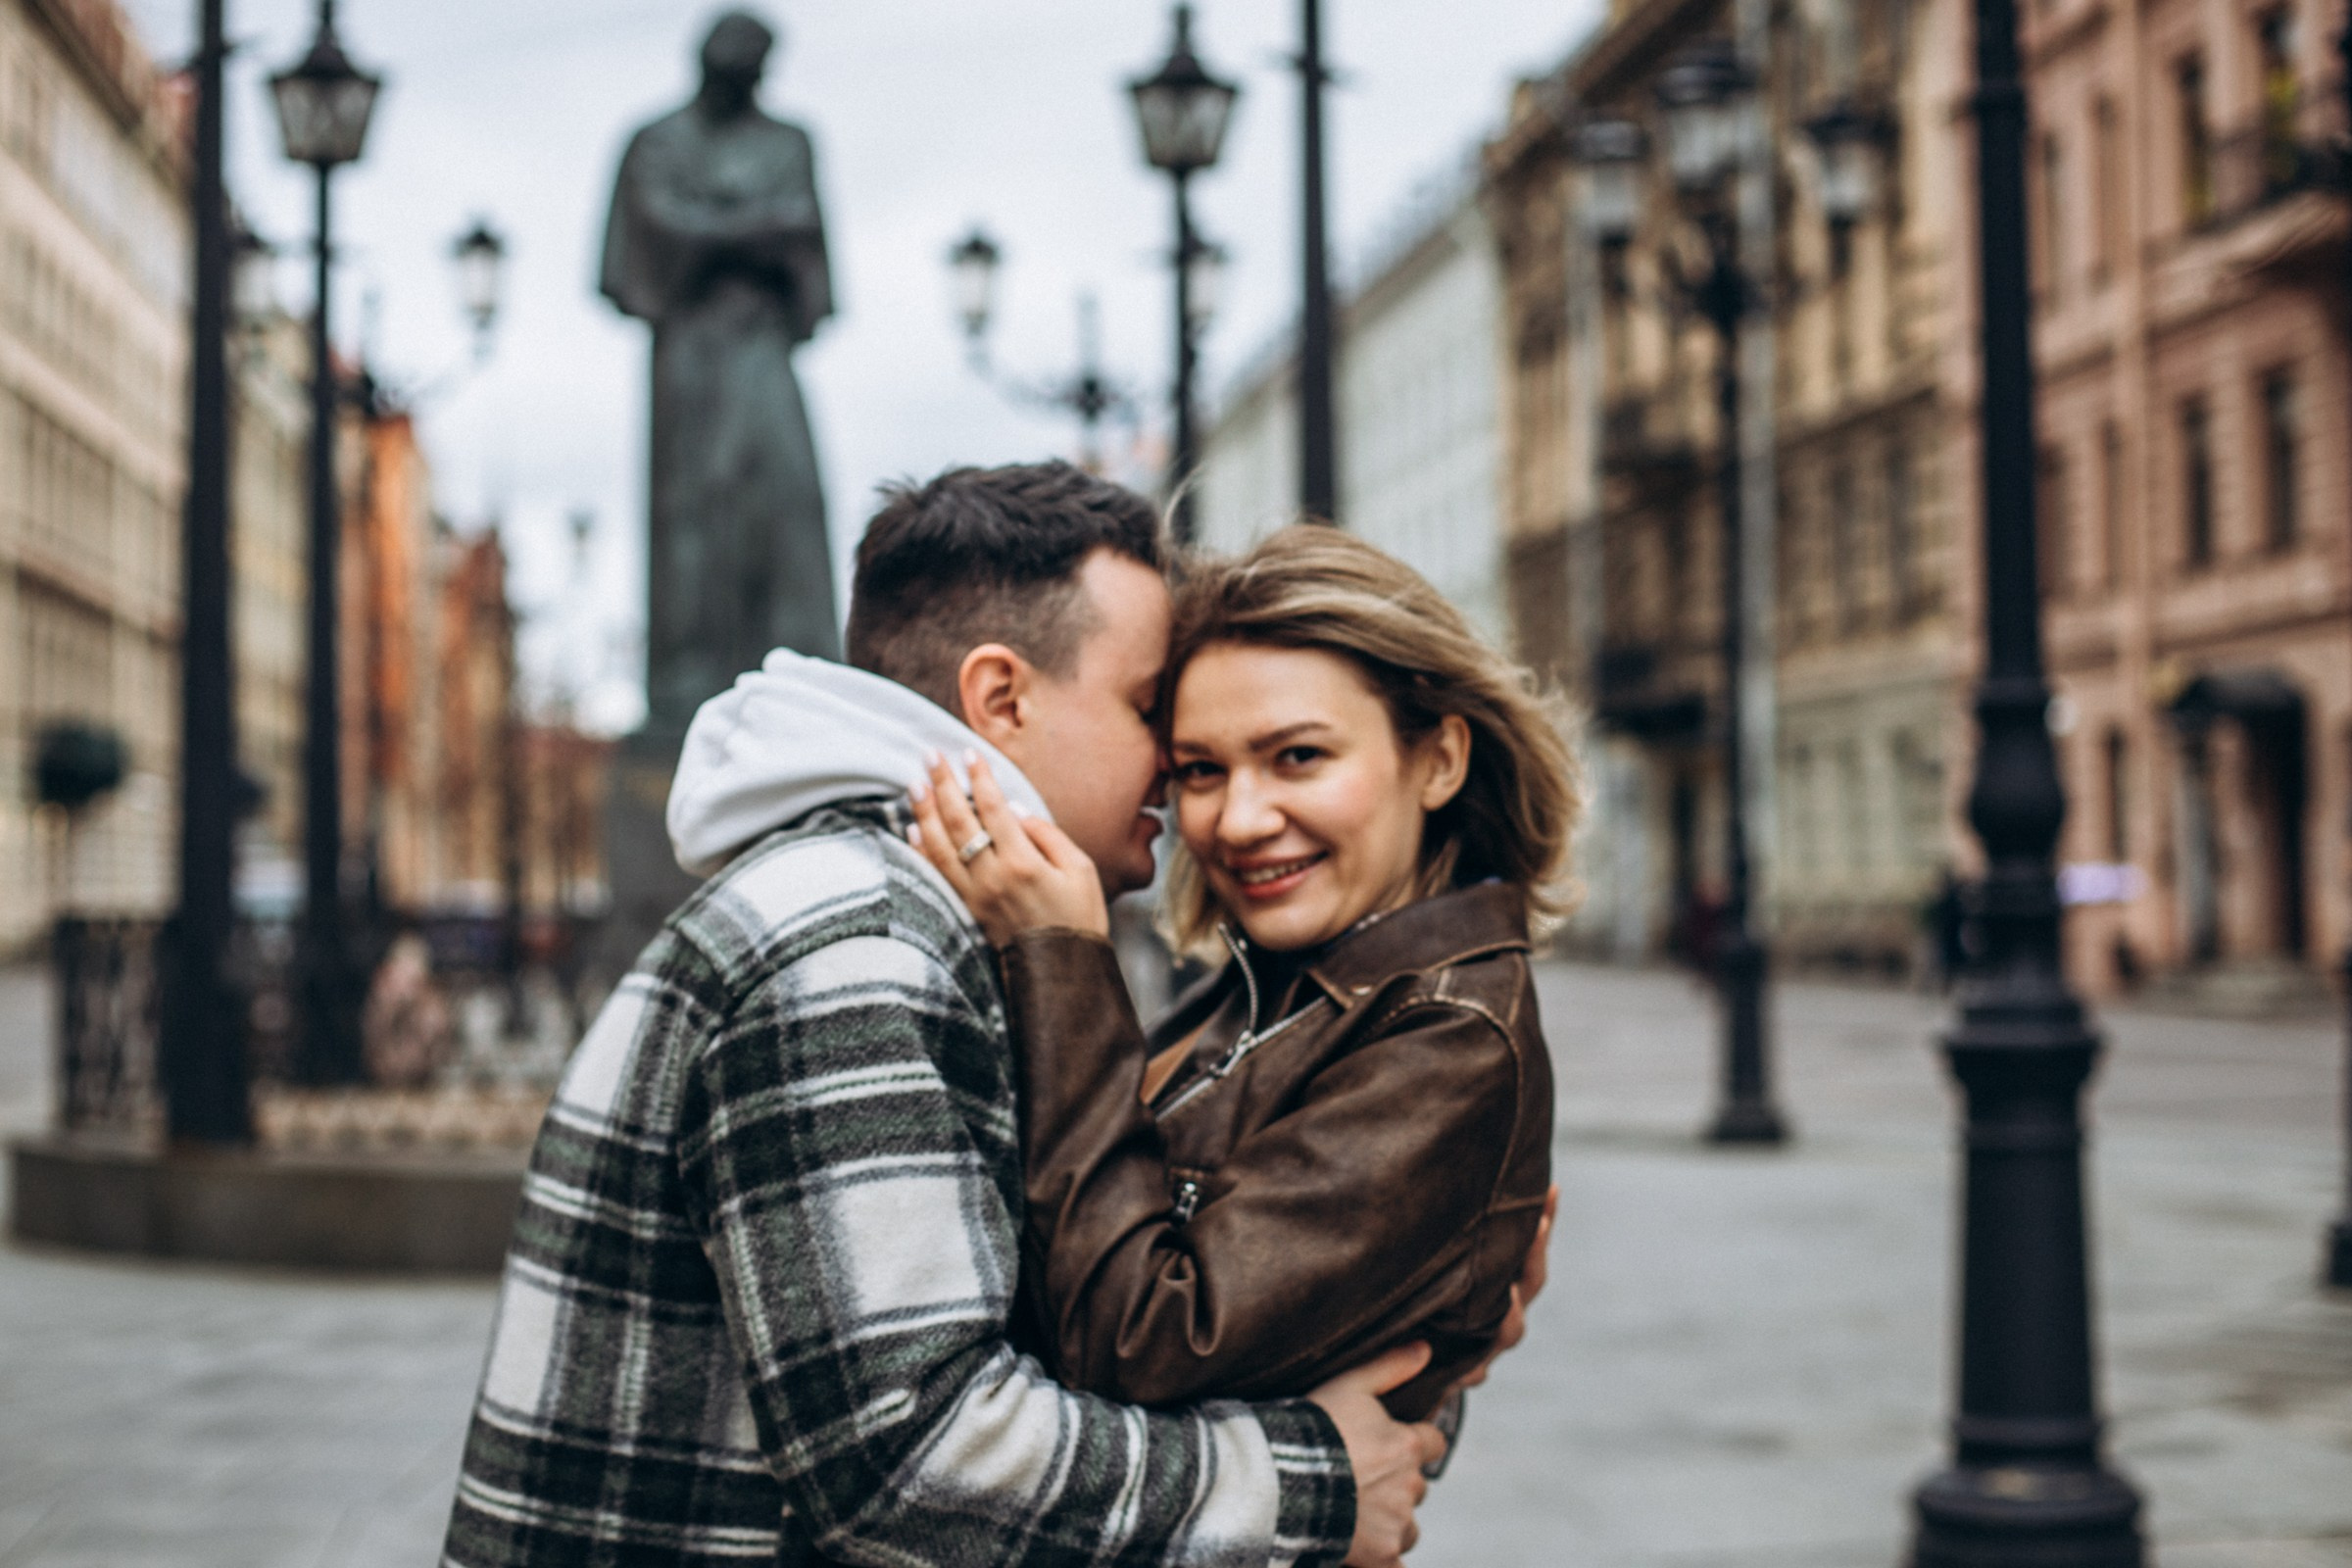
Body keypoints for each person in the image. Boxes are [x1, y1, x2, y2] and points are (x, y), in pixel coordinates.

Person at [441, 466, 1494, 1568]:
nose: (1181, 777)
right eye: (1150, 709)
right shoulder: (857, 943)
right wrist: (1305, 1486)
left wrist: (1415, 1295)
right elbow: (913, 1462)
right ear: (1001, 699)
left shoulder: (915, 915)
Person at [907, 524, 1571, 1428]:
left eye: (1298, 756)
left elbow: (1139, 1340)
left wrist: (1061, 961)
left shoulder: (1451, 1035)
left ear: (1439, 760)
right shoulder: (1282, 981)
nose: (1241, 820)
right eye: (1201, 772)